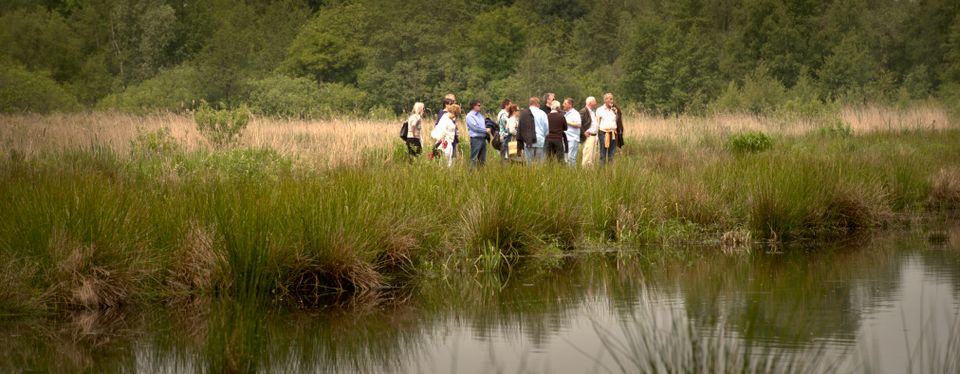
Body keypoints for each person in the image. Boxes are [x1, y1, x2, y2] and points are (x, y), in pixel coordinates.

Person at [596, 93, 624, 165]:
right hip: (603, 133)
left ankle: (610, 172)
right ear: (605, 100)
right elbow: (597, 123)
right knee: (603, 153)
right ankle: (601, 172)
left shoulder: (615, 109)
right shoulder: (600, 110)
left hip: (613, 133)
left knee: (612, 154)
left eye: (612, 99)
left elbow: (618, 122)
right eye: (610, 99)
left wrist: (616, 113)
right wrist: (596, 136)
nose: (611, 101)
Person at [518, 97, 548, 163]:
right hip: (540, 140)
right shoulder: (543, 113)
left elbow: (520, 128)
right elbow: (546, 128)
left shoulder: (524, 113)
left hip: (528, 141)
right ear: (537, 104)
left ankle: (530, 173)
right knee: (540, 164)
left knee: (529, 163)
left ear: (530, 104)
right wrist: (544, 135)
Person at [465, 100, 491, 167]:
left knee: (483, 159)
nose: (480, 107)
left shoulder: (480, 115)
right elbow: (475, 128)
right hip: (476, 139)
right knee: (474, 158)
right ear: (474, 106)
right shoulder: (470, 116)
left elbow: (483, 125)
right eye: (478, 105)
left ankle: (481, 175)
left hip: (483, 138)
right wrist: (485, 130)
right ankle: (471, 174)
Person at [580, 96, 599, 167]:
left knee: (592, 157)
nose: (596, 103)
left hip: (594, 136)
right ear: (590, 103)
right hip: (588, 136)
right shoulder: (583, 111)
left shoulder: (592, 112)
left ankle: (590, 173)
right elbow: (579, 123)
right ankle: (584, 171)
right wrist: (583, 132)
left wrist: (596, 136)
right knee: (587, 155)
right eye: (594, 101)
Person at [562, 98, 581, 167]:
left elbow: (579, 125)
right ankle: (568, 174)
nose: (563, 105)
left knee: (571, 157)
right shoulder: (565, 114)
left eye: (565, 103)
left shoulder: (575, 113)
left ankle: (573, 173)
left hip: (573, 138)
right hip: (565, 139)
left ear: (570, 105)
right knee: (566, 158)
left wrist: (566, 122)